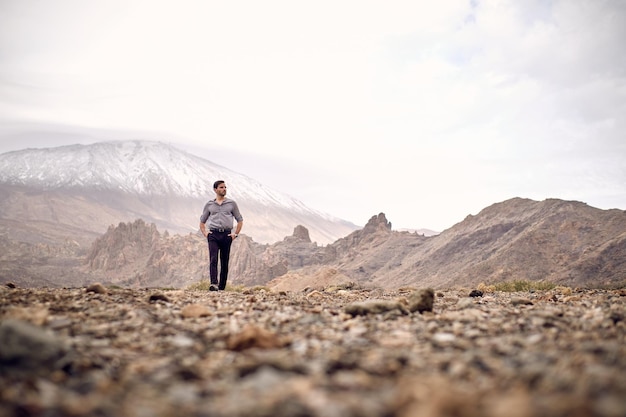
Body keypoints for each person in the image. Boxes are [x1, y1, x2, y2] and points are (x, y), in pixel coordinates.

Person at [199, 180, 244, 291]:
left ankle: (222, 287)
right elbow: (202, 221)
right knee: (213, 259)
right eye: (221, 187)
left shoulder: (231, 204)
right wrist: (206, 233)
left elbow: (240, 220)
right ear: (215, 190)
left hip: (226, 235)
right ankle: (214, 284)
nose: (224, 189)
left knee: (224, 261)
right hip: (213, 235)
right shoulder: (209, 205)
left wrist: (235, 234)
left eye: (225, 187)